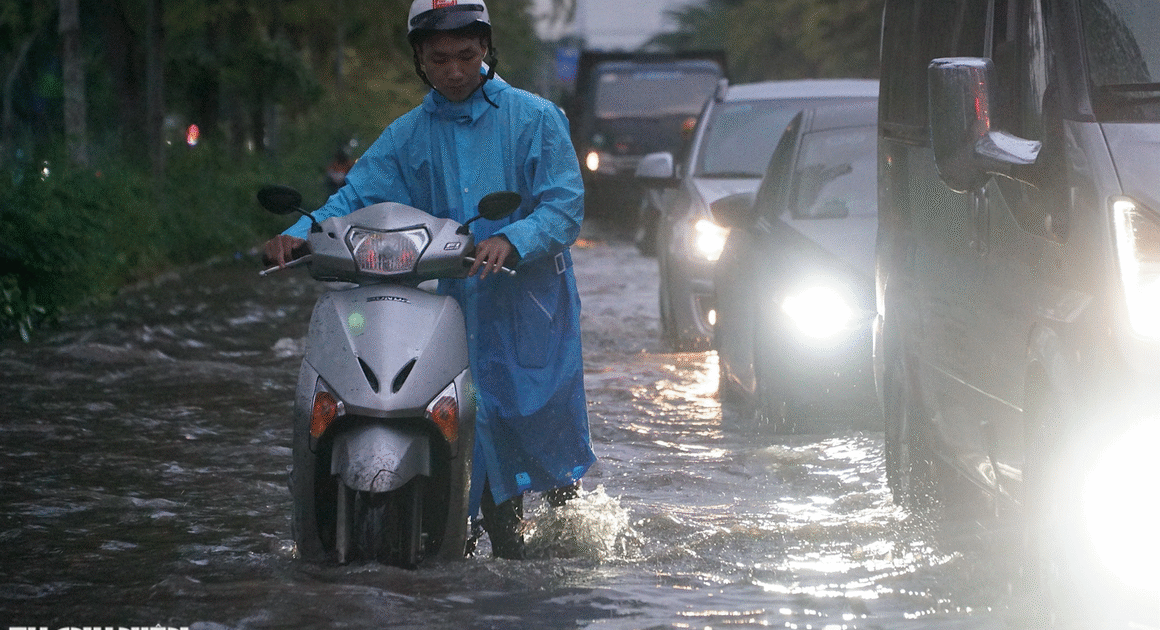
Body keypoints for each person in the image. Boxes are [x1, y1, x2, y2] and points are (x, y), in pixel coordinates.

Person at [263, 0, 596, 560]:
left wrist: (512, 238)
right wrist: (301, 230)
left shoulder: (536, 118)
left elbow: (564, 207)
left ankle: (558, 557)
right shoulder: (407, 136)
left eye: (467, 55)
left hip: (527, 307)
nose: (456, 70)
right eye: (440, 58)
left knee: (540, 439)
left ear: (486, 50)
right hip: (452, 305)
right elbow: (356, 195)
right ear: (420, 59)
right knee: (460, 429)